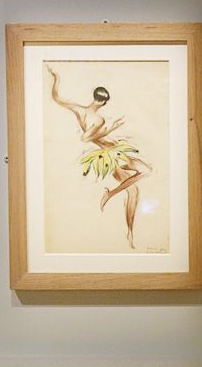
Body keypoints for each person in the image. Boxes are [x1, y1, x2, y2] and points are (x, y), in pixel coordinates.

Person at [46, 65, 151, 249]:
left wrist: (55, 78)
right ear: (103, 102)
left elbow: (56, 98)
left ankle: (130, 232)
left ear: (94, 97)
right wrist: (110, 129)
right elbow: (85, 138)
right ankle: (110, 194)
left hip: (110, 154)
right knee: (146, 170)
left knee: (133, 191)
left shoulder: (78, 109)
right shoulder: (99, 120)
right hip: (112, 153)